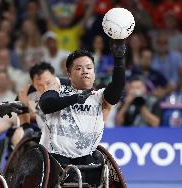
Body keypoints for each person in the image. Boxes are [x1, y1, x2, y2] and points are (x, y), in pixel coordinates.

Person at [38, 39, 126, 185]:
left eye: (89, 68)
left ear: (94, 72)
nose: (85, 71)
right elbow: (46, 105)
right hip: (56, 159)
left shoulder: (100, 97)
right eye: (78, 68)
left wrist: (119, 59)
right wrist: (75, 98)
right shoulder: (58, 88)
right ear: (69, 75)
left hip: (87, 159)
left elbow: (117, 87)